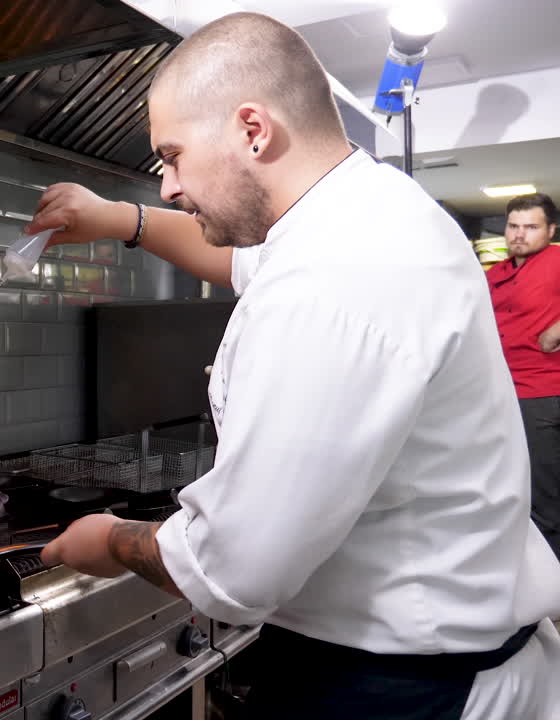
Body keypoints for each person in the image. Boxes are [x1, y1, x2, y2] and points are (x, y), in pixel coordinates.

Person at [29, 12, 560, 720]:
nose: (169, 186)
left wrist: (114, 541)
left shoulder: (334, 276)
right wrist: (119, 219)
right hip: (432, 660)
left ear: (253, 129)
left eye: (173, 155)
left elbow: (236, 566)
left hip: (406, 689)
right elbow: (236, 255)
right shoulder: (364, 210)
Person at [487, 193, 560, 562]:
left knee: (545, 497)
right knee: (519, 489)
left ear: (550, 229)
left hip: (544, 392)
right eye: (513, 226)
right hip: (505, 393)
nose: (519, 234)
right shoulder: (496, 273)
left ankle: (553, 593)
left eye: (531, 227)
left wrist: (556, 331)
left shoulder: (557, 259)